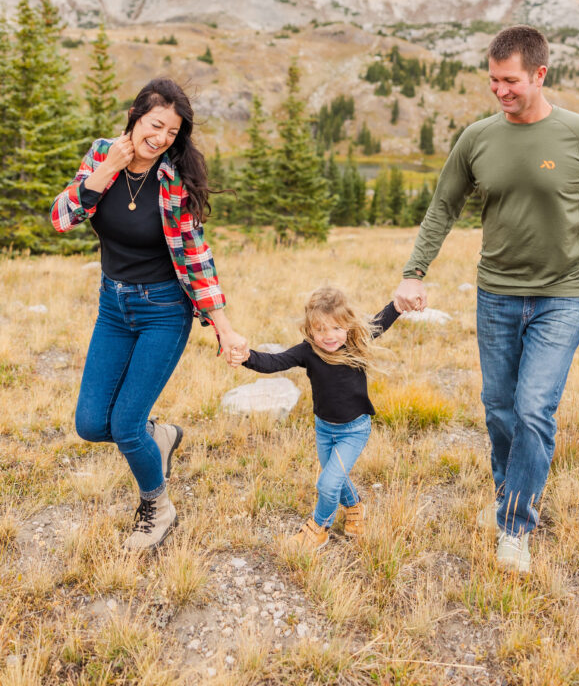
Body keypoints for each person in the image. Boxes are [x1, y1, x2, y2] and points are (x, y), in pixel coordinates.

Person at [393, 25, 579, 573]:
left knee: (533, 410)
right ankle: (511, 493)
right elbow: (443, 208)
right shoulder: (478, 138)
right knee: (499, 410)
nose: (500, 90)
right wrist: (414, 272)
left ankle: (515, 525)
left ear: (539, 75)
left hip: (565, 295)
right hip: (497, 295)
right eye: (492, 81)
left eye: (510, 81)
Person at [51, 78, 247, 551]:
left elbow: (197, 256)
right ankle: (161, 437)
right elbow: (61, 218)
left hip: (163, 311)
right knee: (92, 425)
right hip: (112, 306)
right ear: (136, 116)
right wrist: (105, 173)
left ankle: (157, 507)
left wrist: (223, 327)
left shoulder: (173, 179)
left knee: (125, 425)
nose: (161, 138)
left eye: (172, 132)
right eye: (155, 125)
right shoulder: (102, 154)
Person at [237, 286, 399, 553]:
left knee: (327, 482)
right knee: (336, 477)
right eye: (321, 329)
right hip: (324, 429)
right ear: (310, 329)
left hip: (354, 429)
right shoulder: (308, 351)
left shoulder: (356, 342)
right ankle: (356, 507)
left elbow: (380, 322)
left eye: (336, 328)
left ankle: (319, 527)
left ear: (347, 325)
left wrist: (399, 305)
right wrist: (247, 357)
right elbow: (274, 361)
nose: (329, 336)